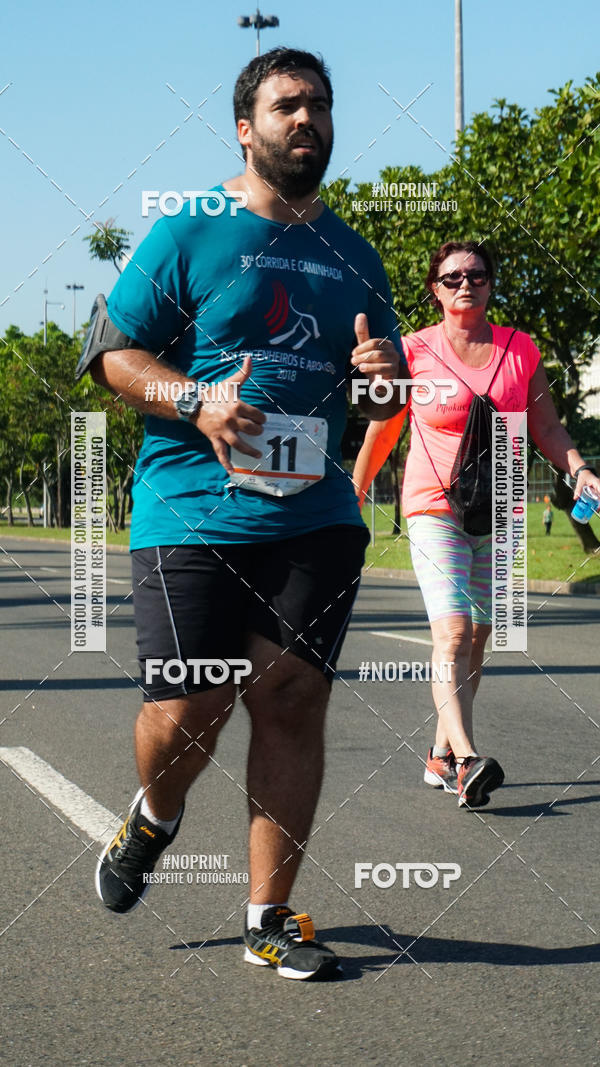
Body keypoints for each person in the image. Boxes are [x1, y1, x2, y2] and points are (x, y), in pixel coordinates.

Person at [79, 48, 406, 980]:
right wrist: (196, 401)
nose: (307, 120)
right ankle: (155, 816)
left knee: (293, 701)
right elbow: (112, 355)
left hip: (314, 512)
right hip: (190, 507)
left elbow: (373, 392)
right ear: (244, 127)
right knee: (190, 708)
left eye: (321, 106)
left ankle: (270, 915)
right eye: (287, 106)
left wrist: (383, 390)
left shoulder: (354, 252)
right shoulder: (191, 231)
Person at [353, 240, 600, 810]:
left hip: (501, 508)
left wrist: (581, 470)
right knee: (454, 633)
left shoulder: (520, 350)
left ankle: (440, 755)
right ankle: (467, 761)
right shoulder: (412, 351)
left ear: (490, 284)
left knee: (480, 639)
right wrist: (352, 499)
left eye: (478, 274)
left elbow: (548, 429)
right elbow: (382, 432)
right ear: (435, 289)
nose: (466, 283)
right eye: (453, 277)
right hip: (433, 506)